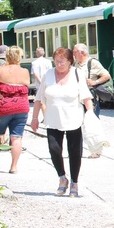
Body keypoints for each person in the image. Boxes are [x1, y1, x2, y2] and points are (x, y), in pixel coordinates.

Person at [29, 47, 94, 197]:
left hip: (74, 119)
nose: (59, 64)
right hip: (53, 119)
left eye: (62, 61)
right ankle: (62, 178)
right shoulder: (48, 74)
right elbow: (39, 98)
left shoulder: (77, 74)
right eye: (57, 61)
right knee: (54, 149)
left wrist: (90, 115)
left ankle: (74, 182)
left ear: (70, 61)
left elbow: (86, 97)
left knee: (75, 152)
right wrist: (34, 118)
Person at [0, 46, 31, 173]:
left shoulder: (0, 69)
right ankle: (14, 167)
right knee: (16, 137)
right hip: (21, 107)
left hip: (3, 106)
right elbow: (26, 84)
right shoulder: (25, 72)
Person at [72, 43, 112, 119]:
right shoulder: (75, 64)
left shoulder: (92, 62)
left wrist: (95, 82)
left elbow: (107, 75)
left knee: (92, 119)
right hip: (78, 97)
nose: (73, 54)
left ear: (82, 53)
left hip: (90, 96)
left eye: (75, 52)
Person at [31, 47, 52, 126]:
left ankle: (46, 116)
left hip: (39, 84)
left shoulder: (34, 63)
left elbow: (35, 73)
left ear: (36, 53)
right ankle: (47, 116)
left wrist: (41, 82)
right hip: (48, 82)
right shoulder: (48, 61)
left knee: (41, 101)